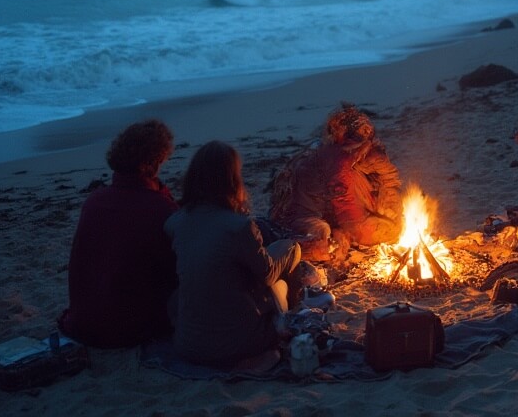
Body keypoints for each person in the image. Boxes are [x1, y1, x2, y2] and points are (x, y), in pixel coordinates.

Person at [165, 140, 302, 369]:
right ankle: (288, 315)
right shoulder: (238, 227)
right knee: (286, 256)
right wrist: (289, 250)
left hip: (187, 345)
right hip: (237, 344)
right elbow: (267, 274)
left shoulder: (174, 223)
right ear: (232, 180)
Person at [59, 119, 179, 348]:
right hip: (129, 328)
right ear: (156, 159)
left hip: (83, 321)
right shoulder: (160, 208)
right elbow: (176, 269)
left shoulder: (94, 201)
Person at [270, 103, 403, 261]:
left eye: (367, 132)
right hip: (303, 221)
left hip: (311, 213)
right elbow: (353, 222)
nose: (367, 136)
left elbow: (389, 180)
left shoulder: (358, 155)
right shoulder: (340, 159)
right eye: (362, 132)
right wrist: (394, 229)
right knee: (327, 245)